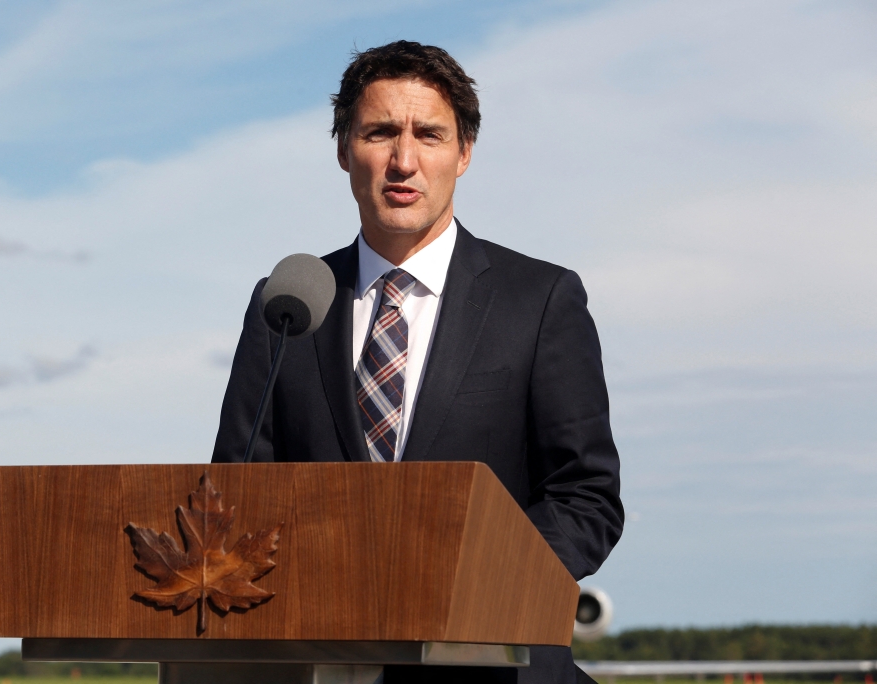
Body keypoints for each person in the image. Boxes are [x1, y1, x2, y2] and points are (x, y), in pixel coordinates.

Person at [213, 40, 624, 684]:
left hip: (493, 664)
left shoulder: (540, 300)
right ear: (345, 151)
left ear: (463, 155)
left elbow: (586, 498)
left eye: (429, 134)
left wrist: (464, 588)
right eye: (380, 132)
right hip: (323, 668)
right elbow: (235, 500)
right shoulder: (287, 303)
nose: (404, 161)